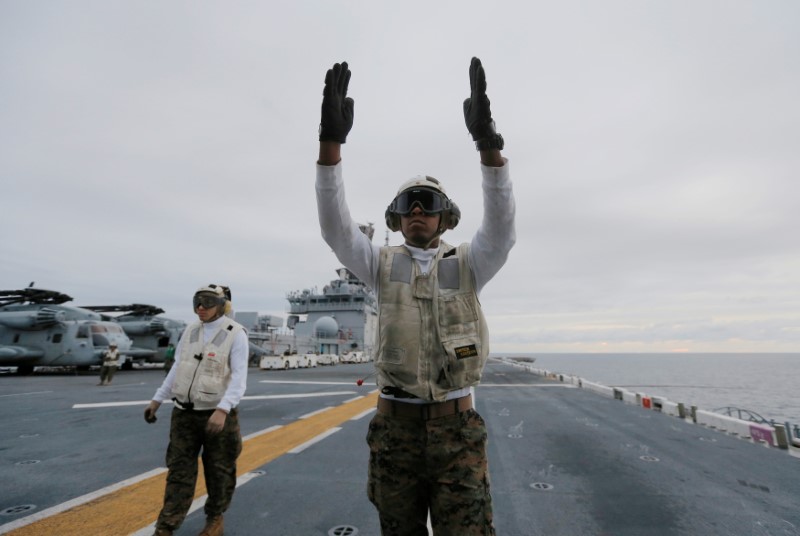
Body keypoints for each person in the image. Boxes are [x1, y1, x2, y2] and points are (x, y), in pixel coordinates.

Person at [315, 58, 515, 536]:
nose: (418, 211)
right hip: (395, 431)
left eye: (429, 204)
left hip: (457, 430)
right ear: (396, 218)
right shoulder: (378, 266)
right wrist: (330, 147)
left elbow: (503, 227)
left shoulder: (471, 263)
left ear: (446, 219)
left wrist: (489, 147)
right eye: (408, 205)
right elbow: (335, 227)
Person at [143, 284, 249, 536]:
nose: (200, 308)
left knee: (220, 471)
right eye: (197, 302)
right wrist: (157, 399)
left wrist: (223, 410)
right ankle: (166, 527)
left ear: (222, 305)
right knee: (179, 472)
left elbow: (239, 379)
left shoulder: (236, 334)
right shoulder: (190, 330)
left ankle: (215, 520)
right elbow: (177, 367)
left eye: (207, 302)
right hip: (184, 414)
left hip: (216, 416)